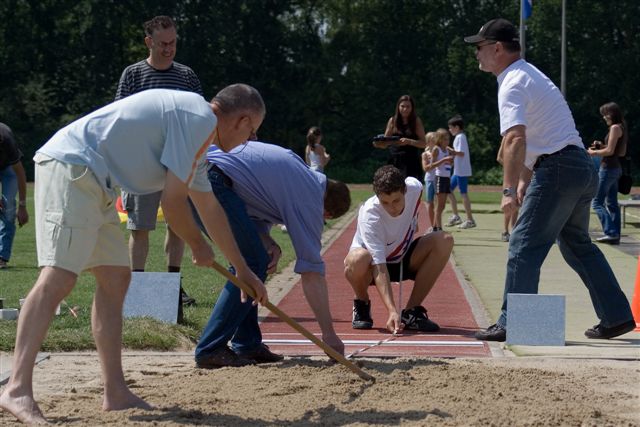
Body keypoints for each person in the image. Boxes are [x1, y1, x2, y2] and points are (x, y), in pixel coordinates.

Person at [0, 85, 268, 424]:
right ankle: (17, 389)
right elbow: (172, 203)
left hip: (96, 180)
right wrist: (198, 246)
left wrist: (242, 269)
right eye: (252, 131)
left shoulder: (198, 140)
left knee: (115, 277)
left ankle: (115, 390)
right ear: (242, 120)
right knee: (59, 276)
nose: (249, 138)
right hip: (73, 168)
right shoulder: (197, 118)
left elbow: (208, 206)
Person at [465, 18, 635, 342]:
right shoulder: (531, 74)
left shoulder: (511, 81)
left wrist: (506, 189)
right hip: (579, 168)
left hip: (558, 169)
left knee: (523, 243)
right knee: (577, 245)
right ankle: (617, 316)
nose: (477, 54)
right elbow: (538, 139)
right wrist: (524, 180)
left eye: (480, 47)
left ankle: (514, 323)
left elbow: (515, 139)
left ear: (497, 48)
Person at [194, 141, 351, 368]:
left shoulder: (300, 175)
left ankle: (247, 343)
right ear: (325, 211)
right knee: (252, 261)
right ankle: (211, 347)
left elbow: (254, 219)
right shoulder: (309, 197)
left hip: (205, 174)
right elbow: (311, 271)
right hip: (212, 181)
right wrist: (329, 335)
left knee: (257, 259)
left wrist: (271, 245)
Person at [115, 15, 204, 305]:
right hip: (141, 164)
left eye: (173, 42)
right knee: (139, 227)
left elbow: (199, 117)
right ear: (148, 42)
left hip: (177, 164)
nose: (169, 48)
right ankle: (137, 287)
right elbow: (120, 117)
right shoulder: (133, 75)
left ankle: (173, 286)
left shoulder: (187, 76)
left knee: (177, 226)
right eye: (163, 43)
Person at [344, 165, 453, 333]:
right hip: (371, 266)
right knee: (357, 259)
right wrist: (392, 311)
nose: (392, 207)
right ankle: (362, 302)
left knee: (444, 240)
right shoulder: (370, 216)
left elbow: (413, 215)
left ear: (404, 191)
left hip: (402, 257)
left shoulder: (415, 188)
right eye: (385, 203)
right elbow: (380, 268)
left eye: (396, 200)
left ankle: (411, 312)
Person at [588, 102, 628, 245]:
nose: (604, 117)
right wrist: (602, 146)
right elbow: (620, 152)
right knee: (612, 203)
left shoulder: (614, 128)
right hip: (616, 169)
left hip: (608, 169)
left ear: (612, 113)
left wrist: (594, 152)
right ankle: (615, 234)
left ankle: (610, 233)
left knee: (597, 203)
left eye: (606, 114)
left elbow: (609, 151)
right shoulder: (622, 127)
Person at [374, 95, 427, 180]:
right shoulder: (392, 121)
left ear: (412, 108)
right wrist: (378, 143)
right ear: (398, 107)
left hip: (411, 162)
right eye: (402, 106)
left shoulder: (416, 121)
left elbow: (424, 144)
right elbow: (385, 143)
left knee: (410, 190)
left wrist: (409, 141)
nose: (405, 109)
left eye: (408, 107)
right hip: (395, 160)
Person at [0, 122, 29, 269]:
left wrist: (22, 206)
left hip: (8, 170)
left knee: (8, 207)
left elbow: (20, 173)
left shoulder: (6, 139)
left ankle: (1, 257)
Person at [445, 115, 477, 229]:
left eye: (451, 128)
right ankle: (456, 216)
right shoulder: (459, 137)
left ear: (457, 127)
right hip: (458, 171)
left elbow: (461, 153)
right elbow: (459, 154)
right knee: (447, 189)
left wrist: (448, 150)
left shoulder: (460, 137)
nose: (450, 130)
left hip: (461, 171)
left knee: (463, 193)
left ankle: (470, 220)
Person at [432, 128, 454, 231]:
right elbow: (432, 165)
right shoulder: (437, 149)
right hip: (440, 177)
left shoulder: (447, 150)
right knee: (439, 205)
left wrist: (450, 161)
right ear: (439, 139)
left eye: (448, 139)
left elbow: (449, 164)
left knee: (442, 205)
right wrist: (444, 160)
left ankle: (436, 226)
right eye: (444, 139)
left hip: (446, 178)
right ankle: (438, 228)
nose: (447, 141)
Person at [497, 139, 518, 242]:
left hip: (519, 177)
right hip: (509, 178)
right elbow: (499, 158)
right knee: (508, 205)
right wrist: (510, 168)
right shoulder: (506, 138)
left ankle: (514, 230)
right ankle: (505, 231)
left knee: (516, 204)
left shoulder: (523, 139)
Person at [421, 131, 437, 229]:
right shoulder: (425, 154)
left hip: (439, 179)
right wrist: (435, 160)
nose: (435, 143)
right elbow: (426, 168)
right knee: (430, 203)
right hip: (430, 180)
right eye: (433, 141)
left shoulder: (440, 152)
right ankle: (431, 225)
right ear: (428, 143)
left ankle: (437, 225)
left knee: (439, 204)